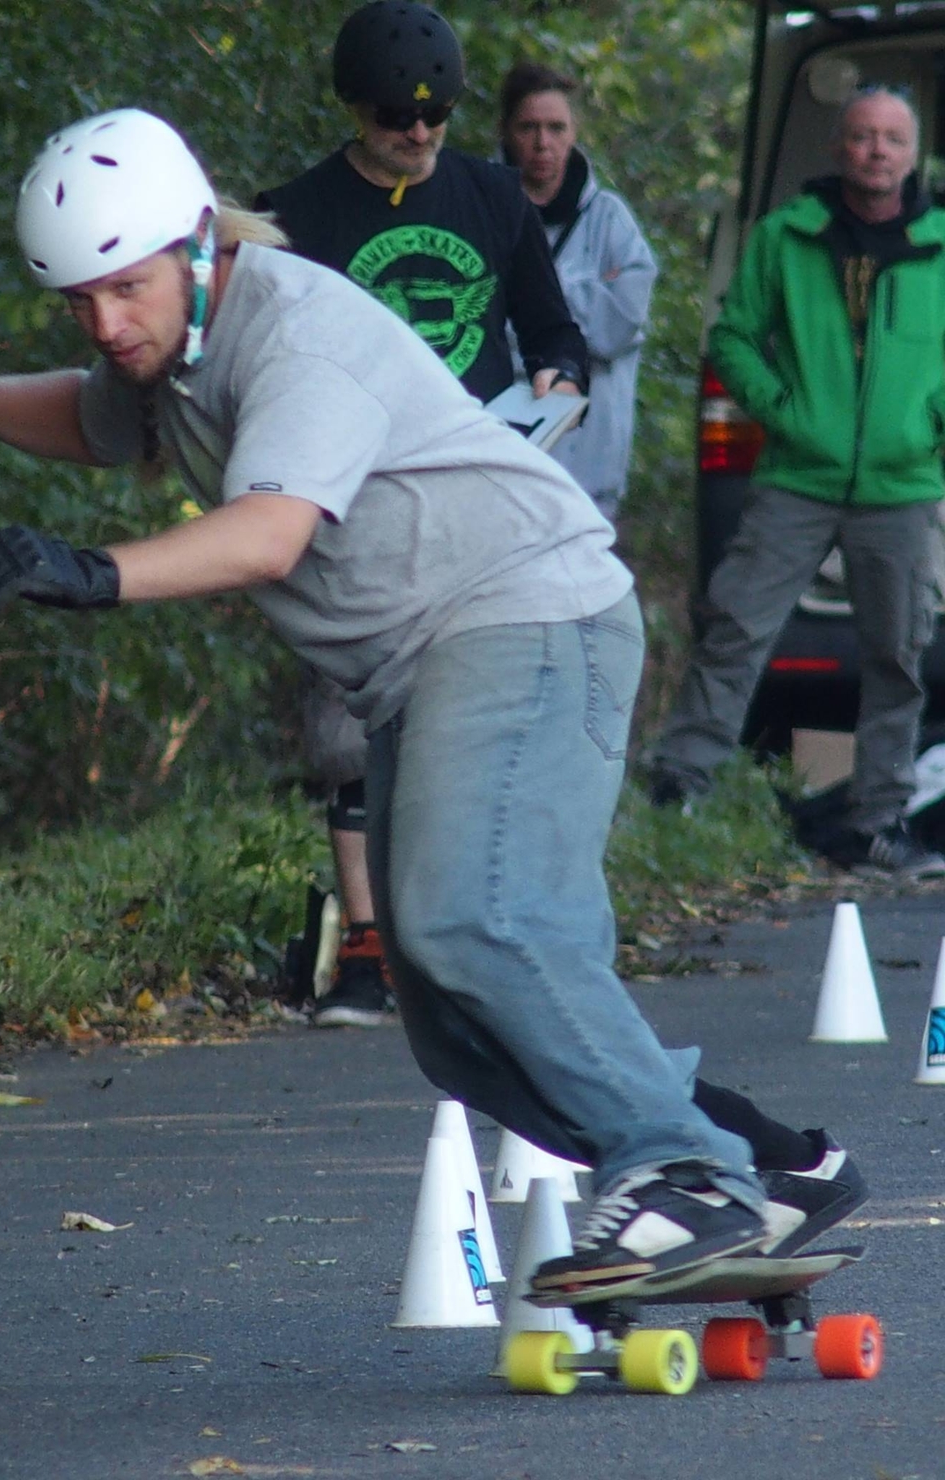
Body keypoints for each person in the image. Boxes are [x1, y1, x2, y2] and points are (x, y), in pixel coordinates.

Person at [0, 107, 866, 1288]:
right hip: (430, 661)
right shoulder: (173, 347)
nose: (105, 323)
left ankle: (685, 1176)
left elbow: (270, 535)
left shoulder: (295, 330)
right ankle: (769, 1167)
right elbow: (92, 417)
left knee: (474, 918)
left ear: (195, 244)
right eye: (79, 301)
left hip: (525, 613)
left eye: (123, 288)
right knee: (458, 1024)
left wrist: (91, 575)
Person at [257, 3, 590, 1027]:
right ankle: (366, 947)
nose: (420, 134)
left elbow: (558, 339)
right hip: (351, 504)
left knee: (475, 720)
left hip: (476, 499)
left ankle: (473, 936)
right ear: (355, 109)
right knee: (348, 725)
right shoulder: (297, 219)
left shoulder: (491, 195)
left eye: (437, 116)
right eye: (399, 118)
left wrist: (552, 399)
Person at [646, 86, 945, 881]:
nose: (876, 151)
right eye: (860, 136)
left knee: (899, 657)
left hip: (904, 486)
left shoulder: (943, 245)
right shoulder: (786, 236)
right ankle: (680, 790)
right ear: (839, 148)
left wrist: (930, 424)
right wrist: (781, 410)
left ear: (914, 154)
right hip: (796, 477)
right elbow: (733, 336)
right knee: (735, 626)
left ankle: (877, 824)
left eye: (890, 139)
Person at [499, 60, 657, 526]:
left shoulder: (611, 221)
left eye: (555, 127)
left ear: (574, 132)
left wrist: (521, 303)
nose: (542, 143)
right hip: (502, 464)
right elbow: (467, 323)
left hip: (590, 471)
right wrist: (585, 296)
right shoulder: (481, 211)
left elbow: (619, 324)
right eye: (528, 127)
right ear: (506, 131)